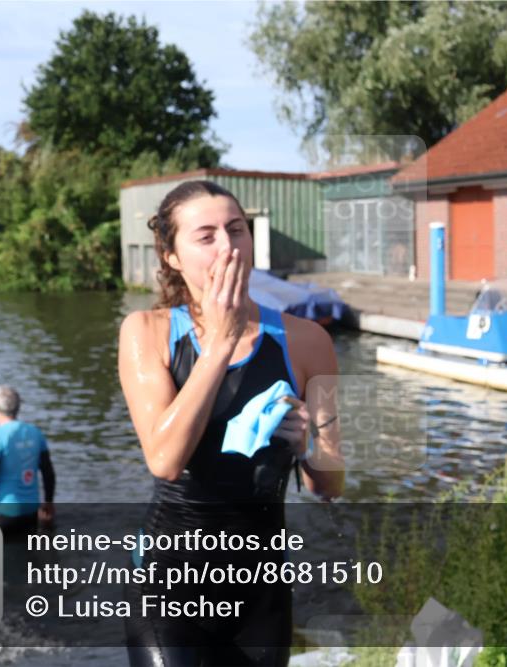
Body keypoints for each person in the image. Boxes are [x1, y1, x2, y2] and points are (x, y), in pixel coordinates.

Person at [118, 180, 344, 666]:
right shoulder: (147, 332)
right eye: (206, 236)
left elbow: (331, 484)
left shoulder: (308, 341)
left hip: (260, 587)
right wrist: (221, 341)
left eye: (236, 230)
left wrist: (307, 446)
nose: (228, 246)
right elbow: (164, 460)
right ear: (172, 256)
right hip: (169, 583)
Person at [0, 385, 55, 535]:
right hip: (31, 514)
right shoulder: (35, 433)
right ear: (18, 407)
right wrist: (48, 503)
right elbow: (48, 473)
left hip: (2, 514)